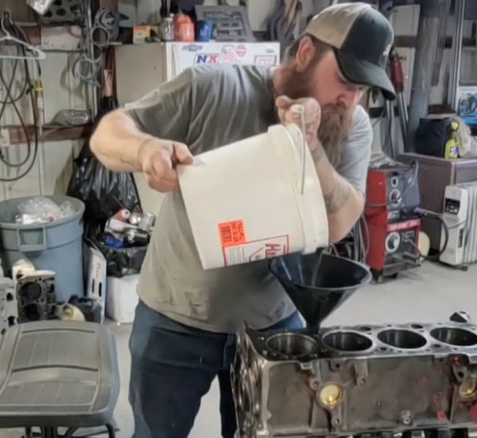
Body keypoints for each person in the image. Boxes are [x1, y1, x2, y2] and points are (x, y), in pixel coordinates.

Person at [88, 3, 396, 438]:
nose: (350, 99)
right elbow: (107, 134)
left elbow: (340, 222)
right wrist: (145, 151)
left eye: (362, 90)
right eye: (345, 80)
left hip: (273, 322)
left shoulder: (349, 125)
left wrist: (311, 148)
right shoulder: (215, 89)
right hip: (177, 318)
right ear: (306, 53)